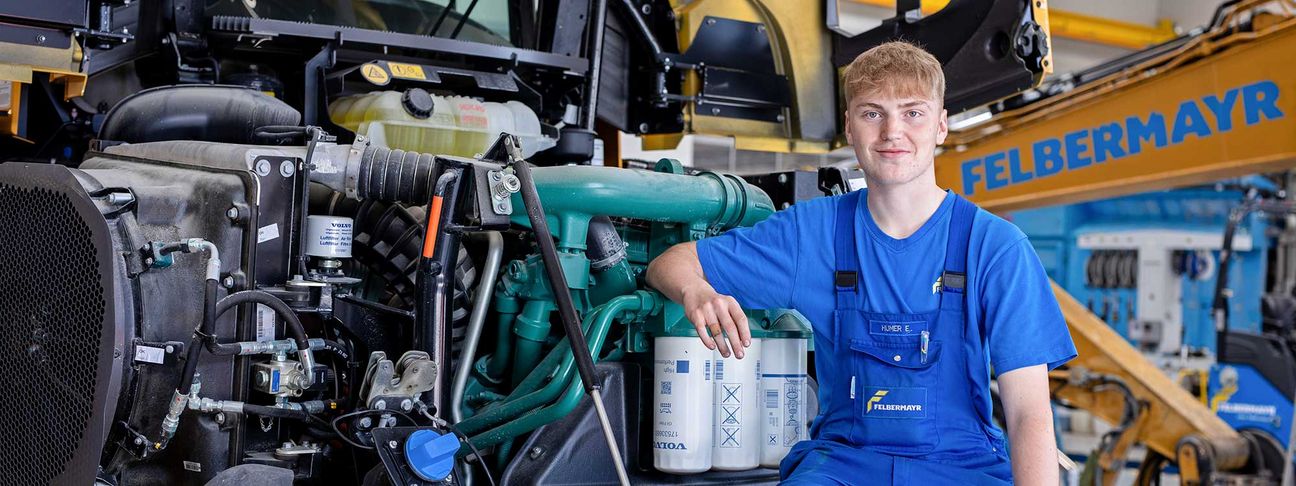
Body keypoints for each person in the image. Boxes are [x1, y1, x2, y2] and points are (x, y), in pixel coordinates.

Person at [645, 41, 1077, 485]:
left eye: (913, 112)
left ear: (941, 126)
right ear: (849, 126)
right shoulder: (810, 233)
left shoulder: (995, 247)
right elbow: (669, 263)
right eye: (873, 113)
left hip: (962, 468)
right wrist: (696, 290)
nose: (892, 132)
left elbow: (1028, 413)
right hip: (843, 467)